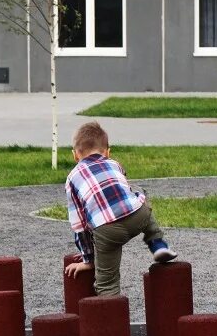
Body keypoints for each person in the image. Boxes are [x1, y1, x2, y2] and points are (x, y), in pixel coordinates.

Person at [63, 121, 177, 297]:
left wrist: (88, 258)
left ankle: (111, 315)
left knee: (106, 283)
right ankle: (157, 243)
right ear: (108, 151)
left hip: (107, 231)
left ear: (75, 155)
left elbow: (79, 225)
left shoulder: (72, 178)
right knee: (139, 195)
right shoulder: (115, 164)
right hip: (137, 217)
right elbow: (125, 192)